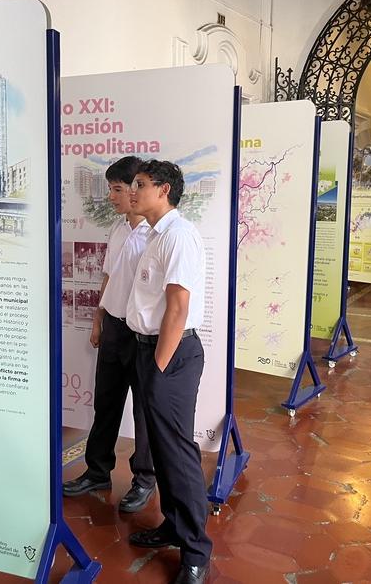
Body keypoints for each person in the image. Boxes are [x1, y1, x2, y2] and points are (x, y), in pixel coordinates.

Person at [125, 160, 211, 584]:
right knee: (161, 450)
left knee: (177, 454)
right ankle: (173, 526)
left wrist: (158, 367)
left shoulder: (178, 236)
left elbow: (177, 309)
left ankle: (196, 552)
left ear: (163, 190)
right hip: (151, 352)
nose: (133, 191)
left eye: (140, 185)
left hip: (170, 355)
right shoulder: (156, 237)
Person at [62, 155, 156, 514]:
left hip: (142, 334)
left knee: (146, 412)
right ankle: (98, 471)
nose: (112, 197)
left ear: (136, 189)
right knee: (106, 403)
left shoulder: (156, 234)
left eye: (117, 189)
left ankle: (144, 480)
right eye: (111, 189)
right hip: (115, 328)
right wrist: (99, 320)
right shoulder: (118, 230)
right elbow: (108, 278)